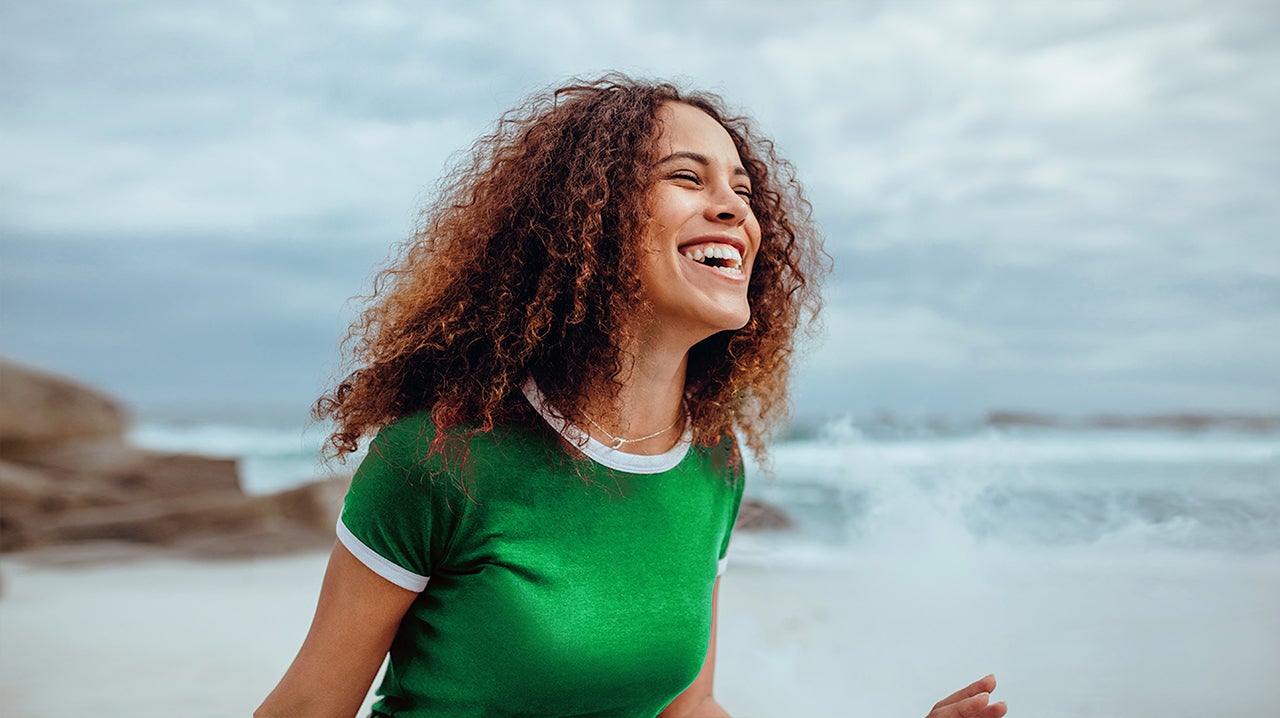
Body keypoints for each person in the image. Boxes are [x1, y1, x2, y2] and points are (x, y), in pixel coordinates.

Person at [257, 74, 1006, 718]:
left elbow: (689, 708)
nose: (735, 211)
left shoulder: (712, 461)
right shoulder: (442, 455)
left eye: (742, 190)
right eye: (688, 178)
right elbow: (309, 706)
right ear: (585, 221)